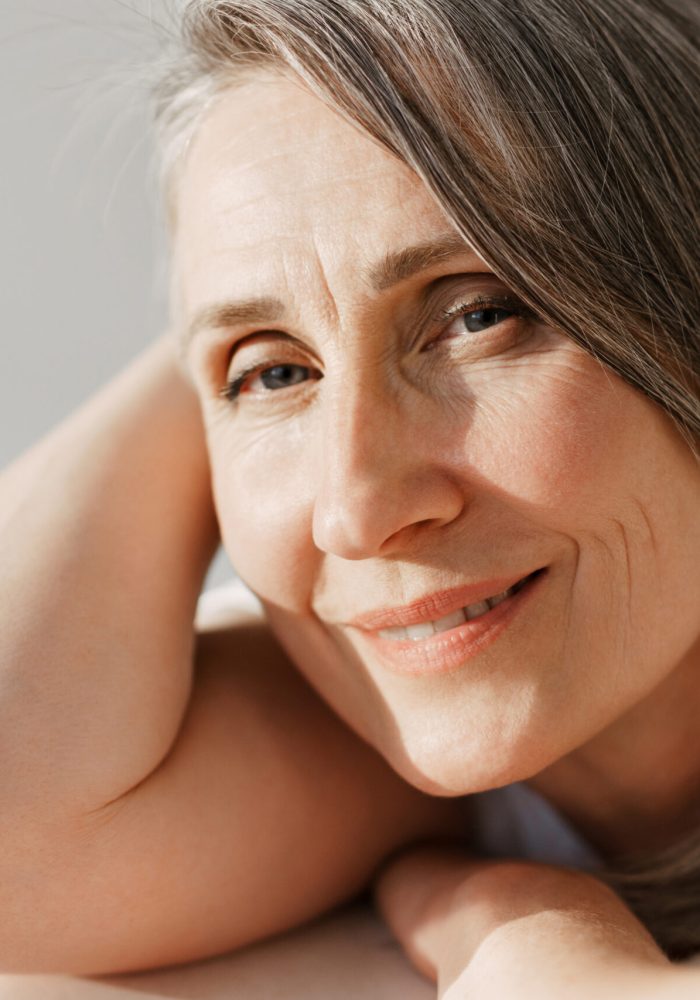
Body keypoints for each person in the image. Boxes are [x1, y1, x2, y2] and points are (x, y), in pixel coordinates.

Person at [1, 0, 698, 996]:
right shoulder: (392, 718)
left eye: (478, 313)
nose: (357, 510)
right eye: (274, 377)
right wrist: (265, 264)